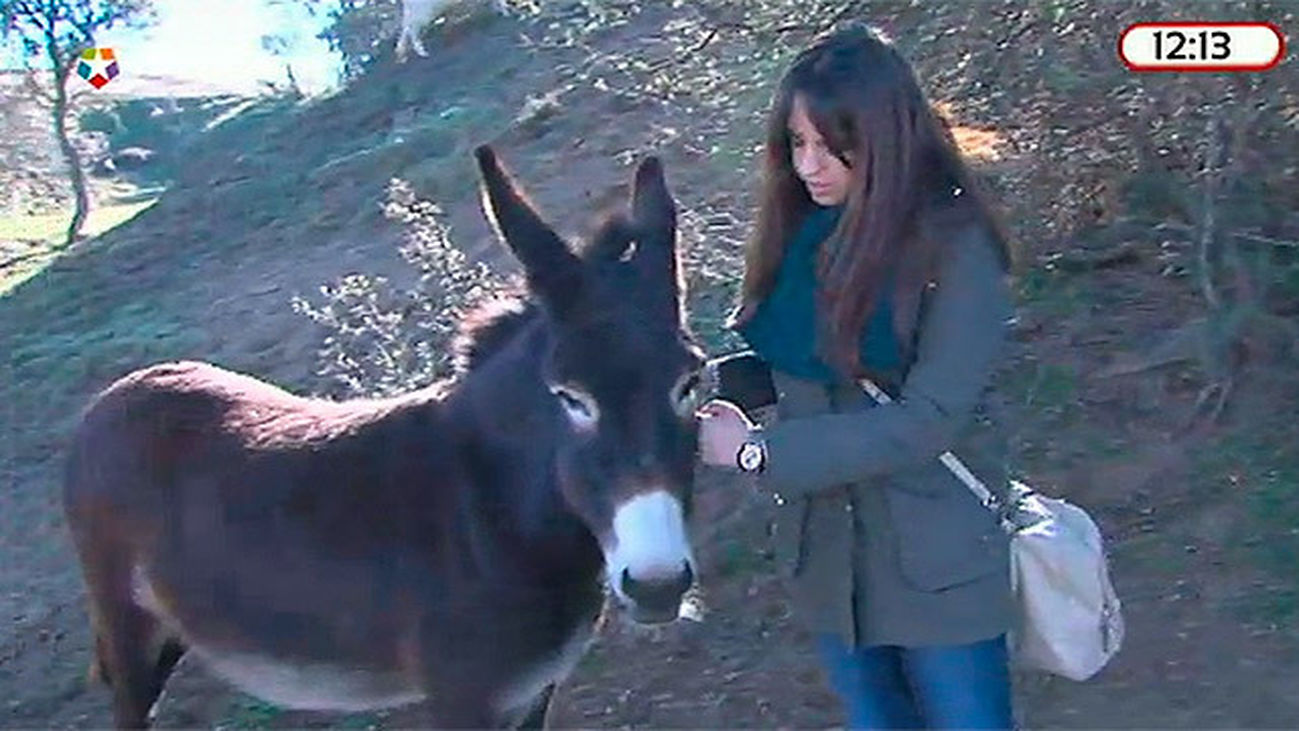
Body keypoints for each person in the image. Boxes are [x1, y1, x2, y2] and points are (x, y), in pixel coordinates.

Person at [696, 24, 1017, 730]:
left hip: (936, 562)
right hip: (831, 567)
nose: (808, 166)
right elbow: (803, 366)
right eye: (795, 143)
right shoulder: (804, 230)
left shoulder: (957, 248)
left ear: (885, 138)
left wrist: (758, 454)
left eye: (830, 144)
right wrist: (697, 389)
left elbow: (924, 419)